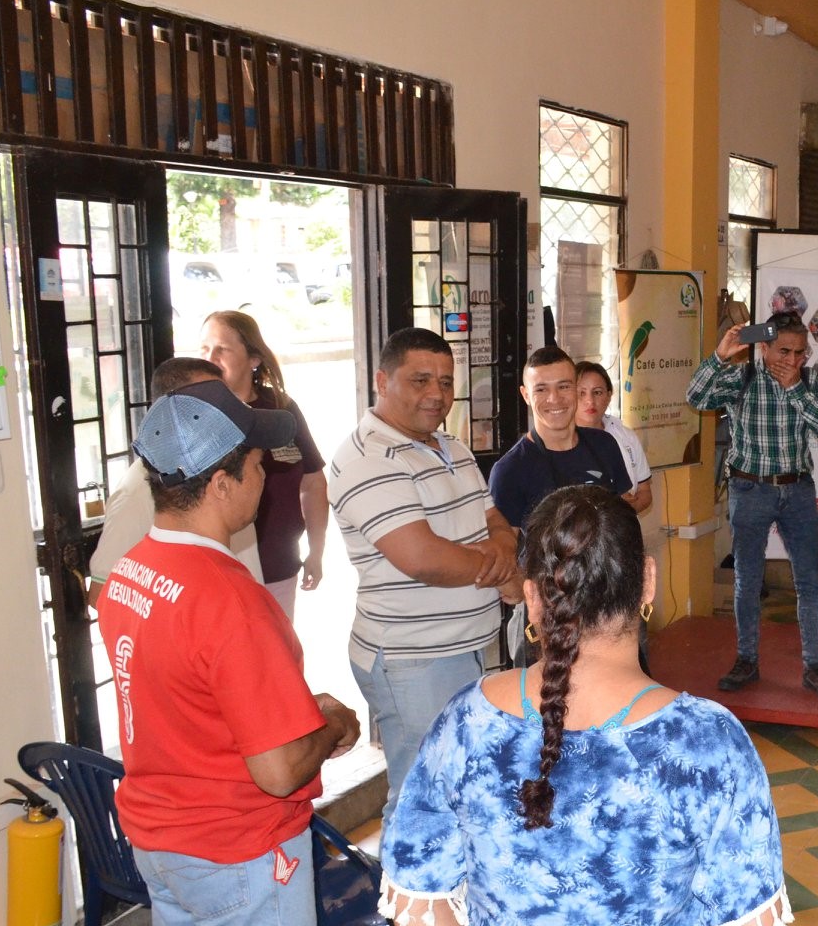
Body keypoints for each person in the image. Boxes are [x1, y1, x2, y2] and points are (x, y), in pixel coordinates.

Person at [379, 485, 788, 926]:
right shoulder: (706, 743)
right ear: (648, 583)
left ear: (532, 600)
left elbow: (419, 903)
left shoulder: (464, 724)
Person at [98, 368, 361, 926]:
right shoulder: (228, 597)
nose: (266, 476)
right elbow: (279, 768)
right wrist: (334, 725)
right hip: (242, 854)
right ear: (218, 482)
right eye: (255, 464)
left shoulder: (133, 571)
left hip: (163, 843)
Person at [329, 326, 520, 818]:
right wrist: (501, 568)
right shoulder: (368, 456)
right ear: (382, 381)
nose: (436, 394)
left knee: (457, 780)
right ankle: (403, 895)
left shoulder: (449, 447)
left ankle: (447, 891)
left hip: (464, 646)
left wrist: (501, 545)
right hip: (413, 658)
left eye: (445, 381)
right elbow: (422, 558)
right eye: (419, 380)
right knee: (422, 799)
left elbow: (494, 517)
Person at [687, 313, 818, 700]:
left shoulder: (809, 382)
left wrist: (795, 390)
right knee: (747, 580)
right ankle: (746, 660)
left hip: (797, 492)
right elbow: (696, 398)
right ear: (764, 347)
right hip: (749, 489)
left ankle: (814, 666)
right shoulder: (741, 377)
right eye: (784, 351)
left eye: (800, 353)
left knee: (809, 581)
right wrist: (720, 356)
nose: (793, 361)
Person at [88, 358, 262, 602]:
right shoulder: (139, 489)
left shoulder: (232, 466)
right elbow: (104, 593)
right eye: (207, 404)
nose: (222, 411)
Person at [199, 310, 327, 619]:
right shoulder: (197, 414)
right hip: (218, 571)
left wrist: (317, 552)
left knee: (276, 655)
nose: (210, 357)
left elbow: (313, 482)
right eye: (204, 349)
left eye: (222, 349)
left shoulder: (281, 410)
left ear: (253, 358)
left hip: (278, 567)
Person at [489, 347, 632, 535]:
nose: (554, 398)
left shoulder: (605, 444)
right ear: (526, 395)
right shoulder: (510, 470)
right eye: (541, 389)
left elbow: (623, 521)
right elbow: (507, 552)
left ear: (576, 389)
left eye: (564, 386)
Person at [577, 359, 654, 514]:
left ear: (609, 396)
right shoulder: (561, 440)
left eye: (597, 392)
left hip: (623, 531)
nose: (590, 401)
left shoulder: (625, 435)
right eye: (581, 393)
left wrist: (625, 511)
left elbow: (645, 492)